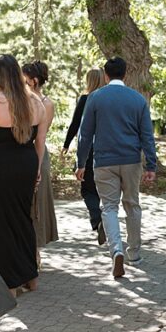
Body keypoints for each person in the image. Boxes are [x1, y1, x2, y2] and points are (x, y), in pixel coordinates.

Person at [0, 55, 47, 295]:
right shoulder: (36, 102)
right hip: (25, 164)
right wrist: (36, 170)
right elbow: (40, 143)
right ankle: (30, 277)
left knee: (0, 222)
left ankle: (10, 283)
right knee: (23, 219)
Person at [76, 57, 157, 279]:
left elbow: (85, 134)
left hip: (104, 162)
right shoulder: (137, 99)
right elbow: (147, 135)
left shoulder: (96, 98)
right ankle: (134, 254)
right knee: (132, 205)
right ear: (126, 74)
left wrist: (80, 163)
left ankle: (116, 250)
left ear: (105, 74)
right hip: (131, 160)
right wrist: (151, 164)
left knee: (109, 207)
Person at [62, 68, 106, 244]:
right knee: (103, 189)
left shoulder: (85, 99)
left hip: (88, 150)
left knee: (87, 189)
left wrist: (66, 145)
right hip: (107, 150)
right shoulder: (106, 99)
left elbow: (74, 124)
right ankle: (106, 223)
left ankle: (97, 220)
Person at [23, 61, 59, 253]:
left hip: (38, 153)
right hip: (20, 154)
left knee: (37, 204)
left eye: (24, 78)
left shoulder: (46, 104)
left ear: (34, 81)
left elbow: (40, 136)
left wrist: (36, 164)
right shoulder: (18, 100)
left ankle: (35, 250)